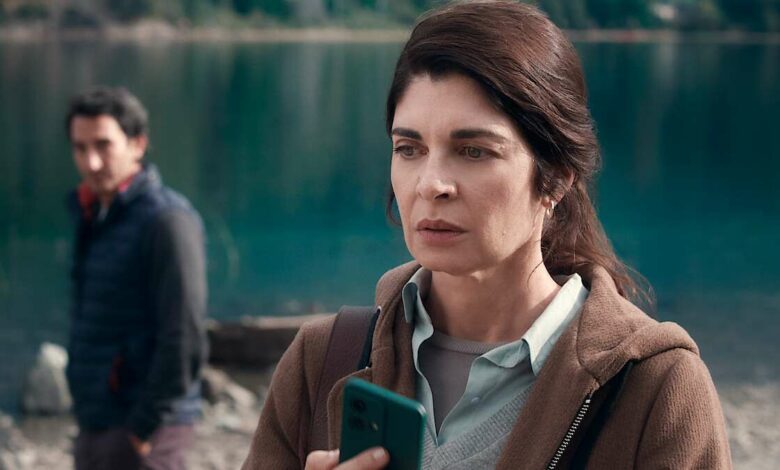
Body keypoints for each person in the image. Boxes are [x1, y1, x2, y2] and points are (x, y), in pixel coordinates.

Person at [243, 2, 731, 469]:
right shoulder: (323, 359)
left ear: (556, 178)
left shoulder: (654, 388)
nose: (431, 184)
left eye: (474, 151)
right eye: (409, 148)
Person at [65, 86, 208, 470]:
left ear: (137, 144)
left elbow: (185, 337)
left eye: (103, 145)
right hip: (98, 420)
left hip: (148, 430)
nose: (91, 162)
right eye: (80, 148)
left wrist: (142, 428)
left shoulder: (167, 221)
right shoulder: (93, 215)